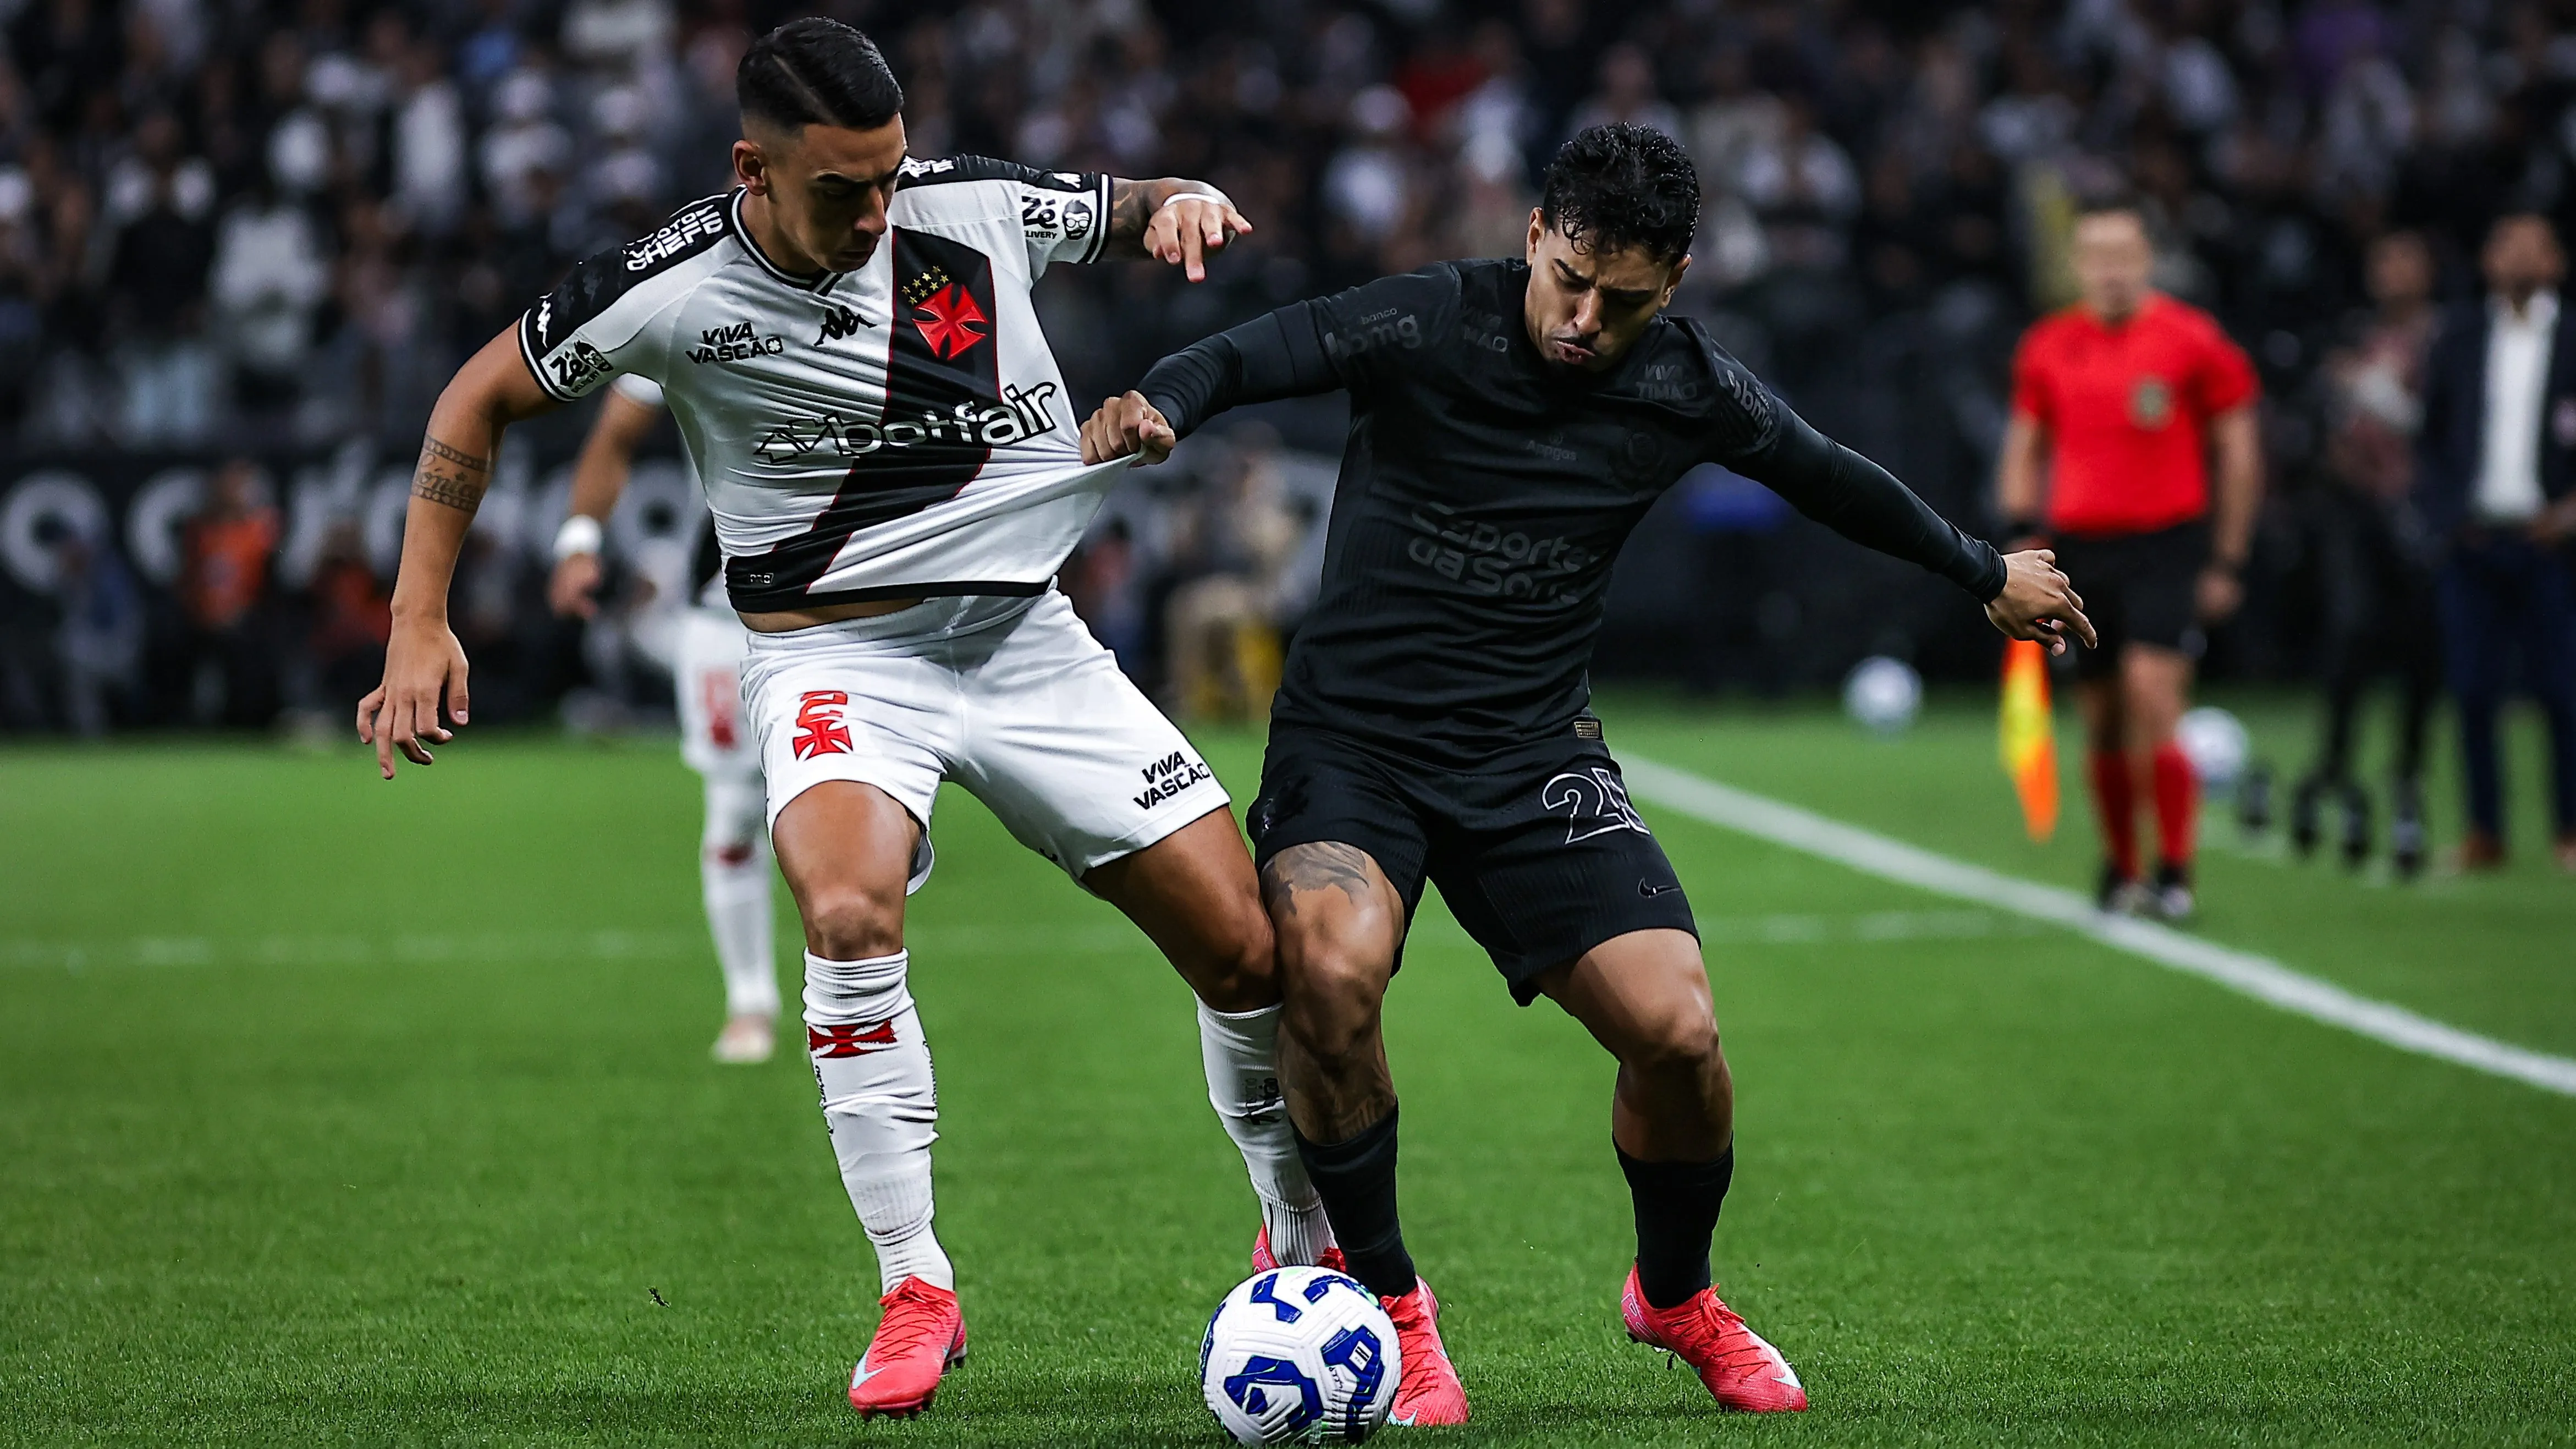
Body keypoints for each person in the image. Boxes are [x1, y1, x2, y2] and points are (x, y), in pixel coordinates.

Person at [355, 18, 1334, 1420]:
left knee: (1245, 951)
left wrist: (1177, 202)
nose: (879, 214)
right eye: (843, 191)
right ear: (752, 167)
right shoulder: (670, 284)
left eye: (889, 180)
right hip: (838, 663)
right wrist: (416, 616)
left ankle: (1293, 1242)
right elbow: (478, 395)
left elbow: (1124, 209)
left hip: (1029, 646)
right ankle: (914, 1281)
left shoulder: (964, 203)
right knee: (848, 909)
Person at [1083, 123, 2090, 1421]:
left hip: (1528, 752)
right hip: (1356, 746)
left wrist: (1982, 571)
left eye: (1619, 300)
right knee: (1326, 976)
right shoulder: (1428, 319)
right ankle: (1392, 1304)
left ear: (1669, 284)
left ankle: (1673, 1294)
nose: (1579, 318)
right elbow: (1245, 351)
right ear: (1535, 238)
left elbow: (1829, 476)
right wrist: (1162, 398)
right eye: (1566, 278)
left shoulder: (1683, 384)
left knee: (1678, 1033)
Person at [1997, 199, 2262, 919]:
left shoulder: (2191, 340)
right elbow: (2025, 443)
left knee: (2154, 695)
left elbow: (2238, 447)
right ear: (2079, 265)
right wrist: (2022, 534)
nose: (2111, 271)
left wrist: (2227, 556)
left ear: (2148, 260)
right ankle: (2123, 865)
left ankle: (2175, 870)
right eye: (2098, 256)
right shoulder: (2049, 345)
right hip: (2082, 547)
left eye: (2125, 255)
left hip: (2164, 541)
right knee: (2104, 715)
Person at [548, 372, 783, 1063]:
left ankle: (852, 998)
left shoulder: (878, 301)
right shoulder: (686, 298)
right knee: (738, 813)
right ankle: (750, 1003)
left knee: (857, 807)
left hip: (853, 610)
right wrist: (579, 541)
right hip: (726, 617)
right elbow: (616, 431)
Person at [2413, 212, 2576, 873]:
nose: (2516, 259)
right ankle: (2485, 829)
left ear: (2555, 261)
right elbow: (2432, 437)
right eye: (2504, 245)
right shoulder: (2458, 335)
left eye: (2531, 247)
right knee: (2473, 689)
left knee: (2562, 689)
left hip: (2552, 545)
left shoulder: (2571, 337)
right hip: (2474, 541)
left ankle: (2569, 827)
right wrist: (2448, 516)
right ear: (2485, 260)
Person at [2295, 230, 2442, 877]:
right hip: (2354, 507)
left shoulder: (2444, 338)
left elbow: (2438, 423)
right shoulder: (2352, 333)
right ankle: (2334, 766)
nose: (2392, 272)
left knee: (2419, 645)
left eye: (2406, 259)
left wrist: (2370, 391)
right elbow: (2319, 417)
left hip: (2420, 510)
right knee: (2351, 631)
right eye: (2383, 260)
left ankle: (2407, 777)